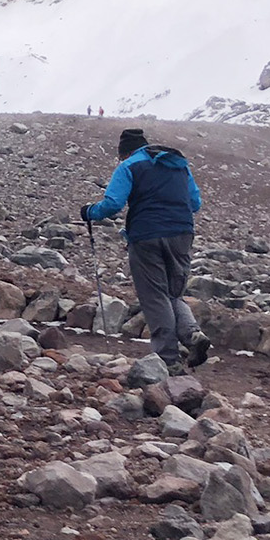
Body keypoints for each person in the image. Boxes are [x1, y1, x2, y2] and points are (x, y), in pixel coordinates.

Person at [80, 127, 211, 373]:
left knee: (155, 296)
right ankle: (193, 335)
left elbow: (113, 204)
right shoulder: (178, 164)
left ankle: (168, 359)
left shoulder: (129, 166)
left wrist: (89, 212)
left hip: (147, 235)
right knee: (174, 294)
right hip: (182, 234)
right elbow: (195, 203)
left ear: (124, 153)